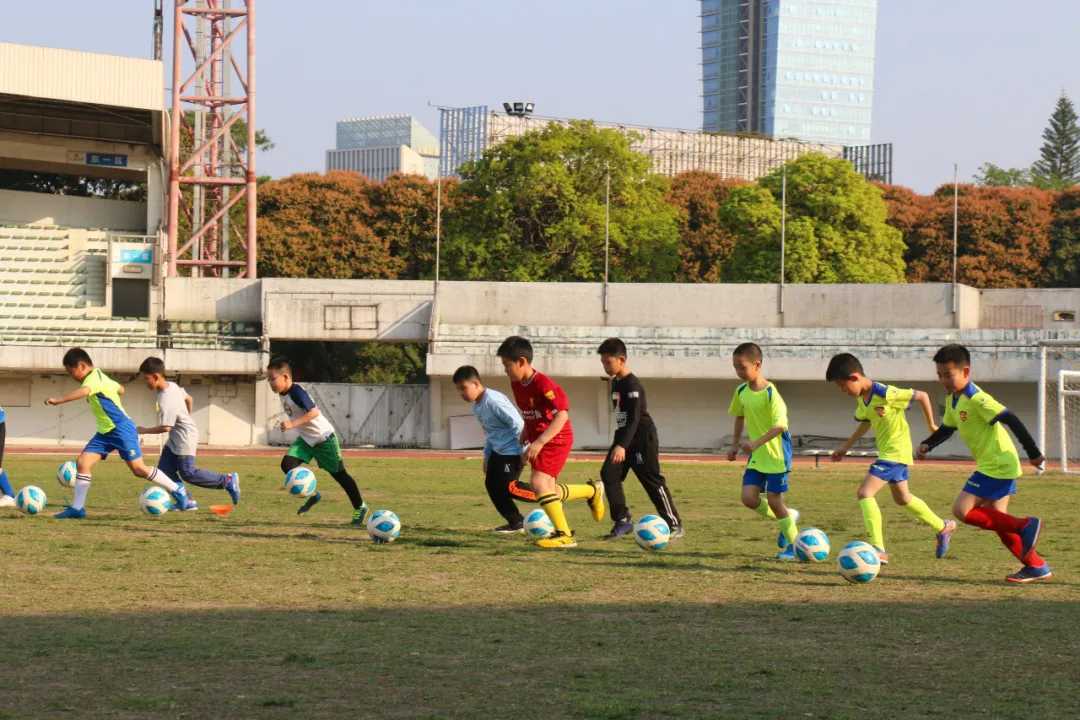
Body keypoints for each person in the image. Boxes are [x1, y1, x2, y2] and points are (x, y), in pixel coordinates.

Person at [917, 344, 1050, 583]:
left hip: (997, 464)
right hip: (996, 464)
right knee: (999, 522)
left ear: (965, 372)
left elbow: (1011, 418)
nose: (943, 380)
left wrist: (1033, 453)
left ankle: (1026, 525)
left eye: (948, 375)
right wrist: (928, 444)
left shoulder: (976, 397)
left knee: (962, 510)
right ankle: (1036, 566)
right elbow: (948, 428)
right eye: (940, 375)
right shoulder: (953, 399)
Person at [826, 352, 956, 564]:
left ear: (855, 377)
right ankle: (943, 527)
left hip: (894, 453)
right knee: (902, 498)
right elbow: (866, 422)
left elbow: (922, 395)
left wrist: (932, 426)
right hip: (892, 453)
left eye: (843, 386)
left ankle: (878, 548)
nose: (843, 391)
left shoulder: (885, 392)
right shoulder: (863, 399)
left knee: (864, 493)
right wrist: (845, 447)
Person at [45, 348, 195, 519]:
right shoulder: (101, 376)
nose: (71, 375)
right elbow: (121, 389)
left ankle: (178, 489)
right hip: (105, 432)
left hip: (121, 428)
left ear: (81, 366)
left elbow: (85, 391)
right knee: (83, 462)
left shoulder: (93, 379)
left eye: (71, 371)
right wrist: (109, 391)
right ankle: (77, 508)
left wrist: (59, 400)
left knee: (139, 469)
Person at [497, 336, 604, 548]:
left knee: (538, 484)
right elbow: (530, 413)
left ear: (521, 361)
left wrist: (539, 443)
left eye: (507, 365)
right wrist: (526, 437)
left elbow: (562, 415)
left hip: (556, 438)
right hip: (539, 439)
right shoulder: (517, 384)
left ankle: (564, 535)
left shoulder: (543, 384)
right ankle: (592, 491)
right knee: (549, 490)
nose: (505, 370)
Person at [596, 337, 682, 539]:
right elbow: (622, 418)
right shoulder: (616, 383)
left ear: (622, 359)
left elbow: (634, 419)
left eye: (608, 362)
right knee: (609, 474)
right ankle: (623, 521)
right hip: (624, 438)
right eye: (603, 362)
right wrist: (619, 443)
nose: (605, 366)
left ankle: (674, 523)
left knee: (651, 480)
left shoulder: (632, 385)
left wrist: (621, 446)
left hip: (642, 438)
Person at [266, 356, 368, 526]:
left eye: (273, 378)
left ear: (286, 377)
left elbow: (314, 412)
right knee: (287, 465)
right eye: (268, 379)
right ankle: (313, 494)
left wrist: (292, 424)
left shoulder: (297, 392)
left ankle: (360, 507)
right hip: (306, 440)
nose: (270, 383)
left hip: (324, 438)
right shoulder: (283, 393)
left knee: (340, 476)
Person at [726, 342, 801, 560]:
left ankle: (794, 546)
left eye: (742, 367)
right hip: (758, 456)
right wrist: (734, 444)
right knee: (749, 498)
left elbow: (780, 426)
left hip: (777, 455)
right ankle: (787, 518)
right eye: (735, 367)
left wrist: (755, 443)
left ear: (757, 364)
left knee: (775, 500)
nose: (738, 372)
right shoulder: (740, 391)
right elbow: (739, 416)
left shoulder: (771, 393)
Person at [136, 356, 240, 505]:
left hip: (185, 438)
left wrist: (143, 430)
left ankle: (227, 480)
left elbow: (166, 427)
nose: (145, 383)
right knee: (164, 471)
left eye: (146, 379)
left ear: (155, 376)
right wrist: (186, 417)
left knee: (188, 473)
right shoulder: (172, 385)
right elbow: (189, 398)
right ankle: (187, 501)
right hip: (176, 437)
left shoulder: (166, 398)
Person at [453, 364, 530, 533]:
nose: (461, 394)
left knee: (509, 487)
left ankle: (549, 493)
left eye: (463, 388)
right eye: (458, 390)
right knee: (492, 485)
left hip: (512, 453)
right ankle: (516, 522)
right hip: (497, 452)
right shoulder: (477, 406)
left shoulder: (493, 400)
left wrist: (525, 450)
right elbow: (490, 433)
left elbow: (518, 423)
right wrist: (486, 457)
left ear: (476, 384)